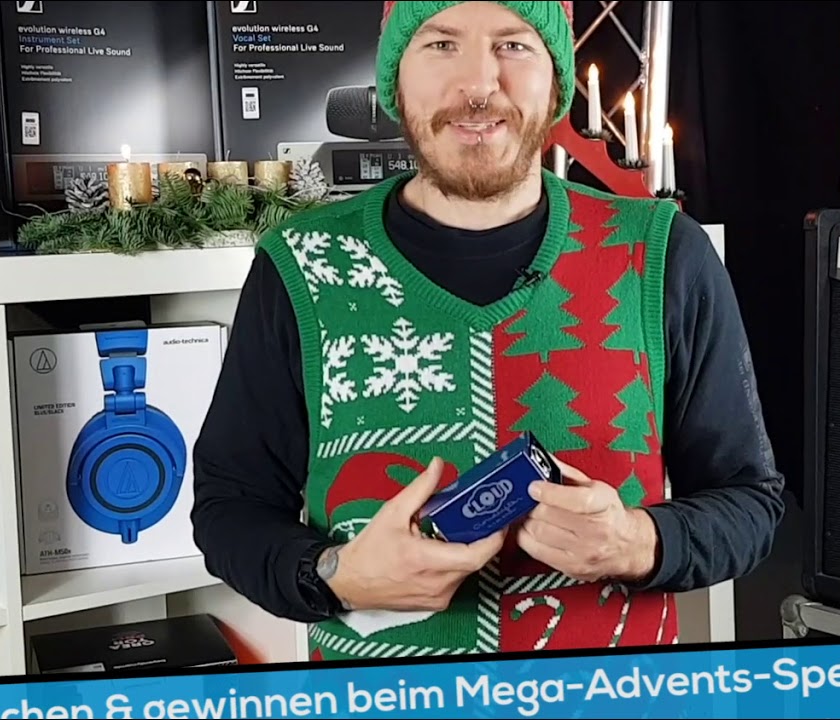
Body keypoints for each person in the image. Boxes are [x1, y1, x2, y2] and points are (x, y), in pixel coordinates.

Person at [192, 0, 784, 661]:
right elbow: (228, 508)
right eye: (441, 44)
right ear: (394, 80)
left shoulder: (664, 253)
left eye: (513, 45)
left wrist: (636, 542)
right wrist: (336, 575)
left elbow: (750, 502)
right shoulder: (300, 264)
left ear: (556, 82)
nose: (478, 84)